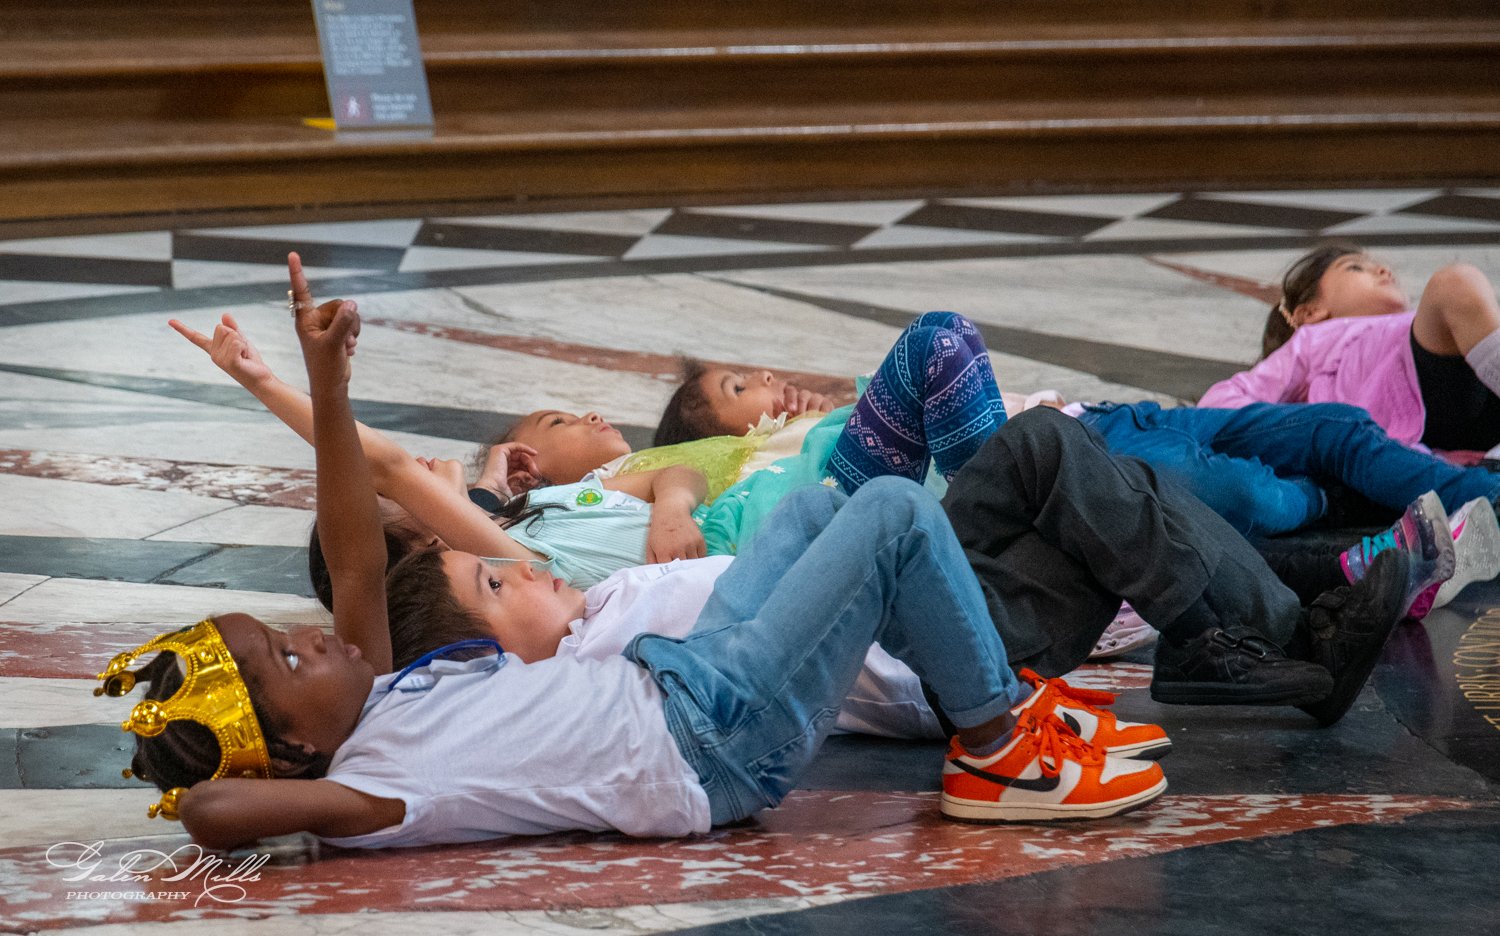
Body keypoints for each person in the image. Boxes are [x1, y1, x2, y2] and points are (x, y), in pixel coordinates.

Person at [105, 264, 1175, 846]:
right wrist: (222, 768)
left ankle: (999, 707)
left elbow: (352, 560)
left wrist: (327, 388)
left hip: (689, 676)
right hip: (710, 748)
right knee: (891, 511)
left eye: (293, 640)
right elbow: (213, 810)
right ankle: (997, 749)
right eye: (292, 667)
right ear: (290, 752)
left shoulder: (386, 690)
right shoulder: (376, 785)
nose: (320, 644)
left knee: (812, 521)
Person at [1202, 243, 1500, 453]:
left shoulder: (1412, 324)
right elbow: (1218, 403)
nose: (1383, 270)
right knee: (1454, 283)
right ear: (1311, 312)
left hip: (1472, 402)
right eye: (1356, 267)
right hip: (1421, 405)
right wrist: (1307, 429)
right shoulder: (1312, 339)